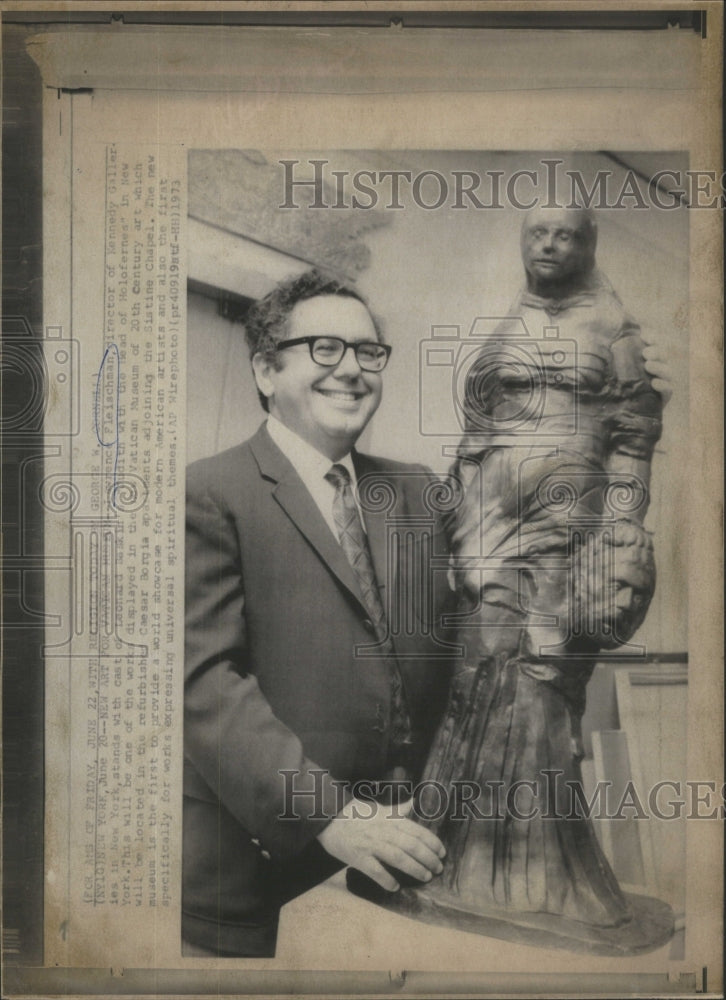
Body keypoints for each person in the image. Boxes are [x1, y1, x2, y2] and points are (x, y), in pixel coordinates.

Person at [411, 206, 669, 938]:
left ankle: (540, 874)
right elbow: (474, 430)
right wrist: (458, 510)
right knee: (478, 668)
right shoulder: (505, 329)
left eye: (567, 234)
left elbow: (635, 440)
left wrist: (620, 521)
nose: (550, 244)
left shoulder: (614, 329)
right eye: (538, 232)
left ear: (589, 246)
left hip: (569, 522)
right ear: (525, 243)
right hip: (489, 516)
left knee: (545, 678)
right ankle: (448, 855)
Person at [182, 270, 453, 957]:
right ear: (266, 370)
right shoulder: (210, 492)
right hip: (258, 876)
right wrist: (327, 813)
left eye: (368, 353)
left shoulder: (418, 492)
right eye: (325, 350)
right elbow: (204, 683)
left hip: (408, 860)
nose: (353, 371)